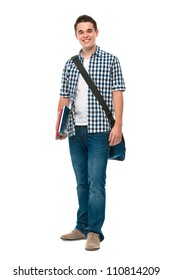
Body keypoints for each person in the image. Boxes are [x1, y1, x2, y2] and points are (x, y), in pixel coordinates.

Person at [56, 15, 126, 251]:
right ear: (76, 35)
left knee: (96, 182)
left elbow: (118, 93)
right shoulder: (69, 63)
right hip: (76, 131)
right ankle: (81, 226)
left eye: (89, 30)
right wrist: (60, 126)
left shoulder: (110, 60)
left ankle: (94, 232)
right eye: (80, 31)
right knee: (81, 183)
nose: (85, 35)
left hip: (100, 131)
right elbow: (64, 97)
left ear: (97, 32)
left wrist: (118, 125)